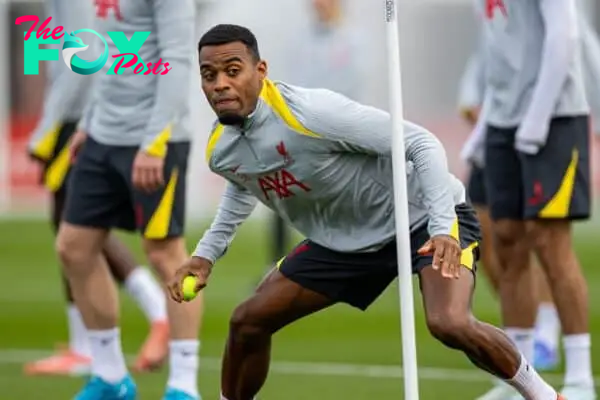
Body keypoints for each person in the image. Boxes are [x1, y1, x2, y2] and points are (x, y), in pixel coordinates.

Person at [170, 24, 565, 400]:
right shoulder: (221, 149)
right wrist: (204, 256)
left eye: (232, 71)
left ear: (261, 71)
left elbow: (422, 144)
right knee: (248, 321)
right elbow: (243, 185)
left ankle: (545, 395)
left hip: (423, 220)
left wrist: (443, 228)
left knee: (450, 323)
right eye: (209, 74)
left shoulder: (312, 112)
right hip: (343, 244)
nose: (220, 83)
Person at [54, 0, 204, 399]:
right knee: (74, 247)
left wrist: (154, 143)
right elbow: (106, 54)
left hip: (156, 139)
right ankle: (109, 378)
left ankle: (183, 385)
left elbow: (175, 59)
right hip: (102, 136)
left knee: (165, 255)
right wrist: (88, 123)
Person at [23, 0, 168, 377]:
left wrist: (45, 128)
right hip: (89, 112)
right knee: (76, 229)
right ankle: (88, 342)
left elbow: (82, 59)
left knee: (77, 229)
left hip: (78, 117)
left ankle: (104, 338)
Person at [459, 0, 600, 379]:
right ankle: (519, 378)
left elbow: (566, 35)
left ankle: (579, 378)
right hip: (503, 120)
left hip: (554, 116)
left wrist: (537, 117)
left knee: (551, 243)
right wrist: (485, 130)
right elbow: (499, 57)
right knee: (507, 243)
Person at [265, 0, 367, 271]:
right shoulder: (300, 40)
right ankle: (274, 263)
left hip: (335, 127)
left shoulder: (353, 41)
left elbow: (351, 83)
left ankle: (357, 258)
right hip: (298, 125)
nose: (320, 5)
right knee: (278, 187)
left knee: (341, 195)